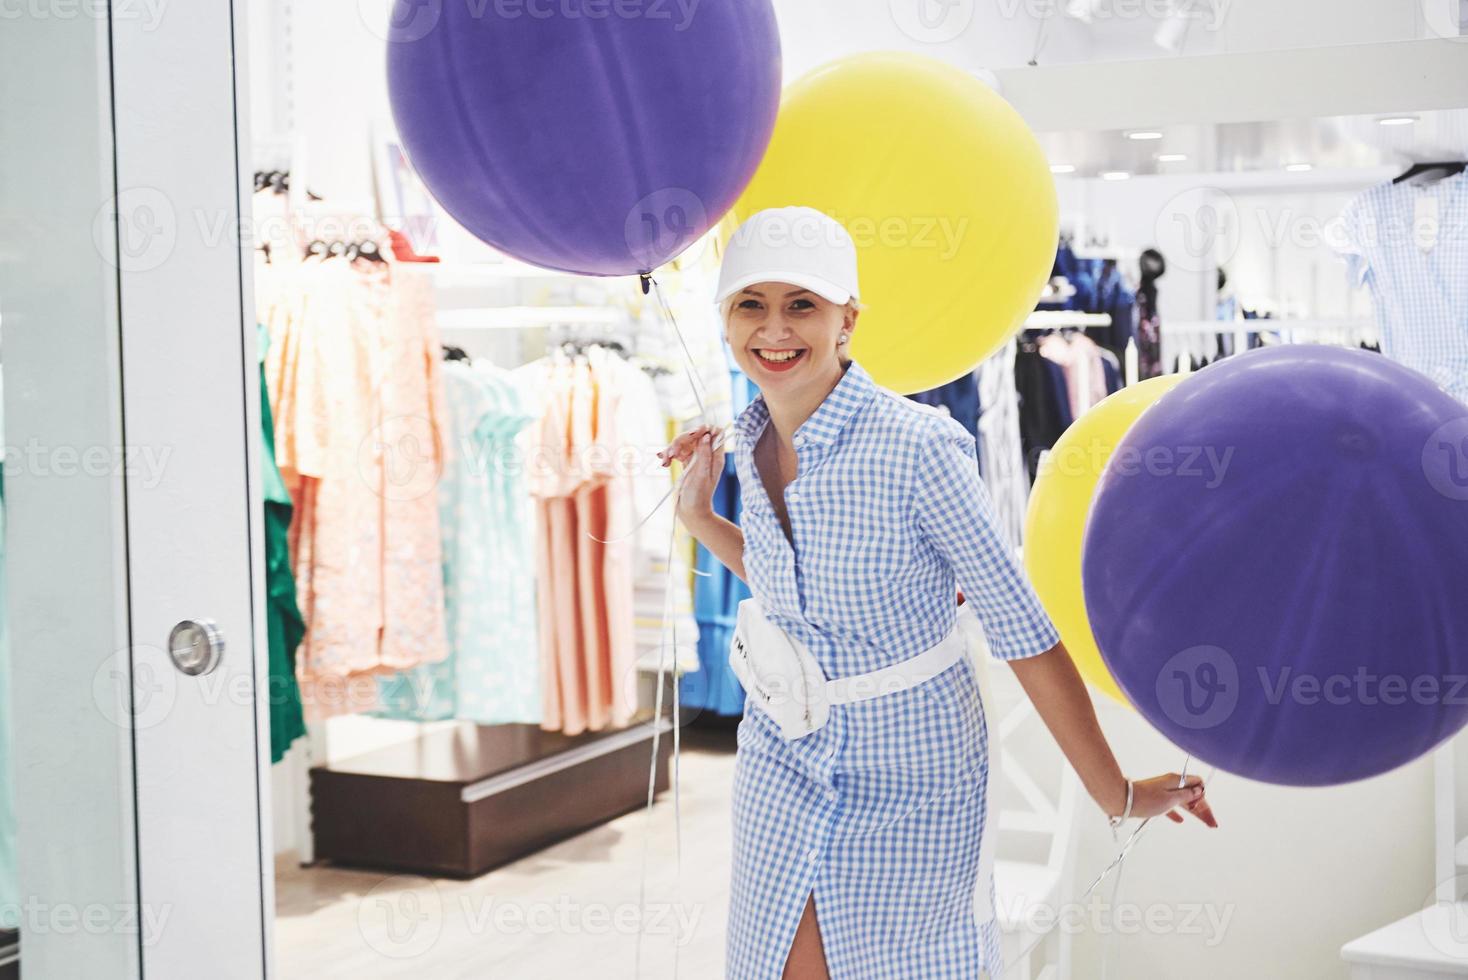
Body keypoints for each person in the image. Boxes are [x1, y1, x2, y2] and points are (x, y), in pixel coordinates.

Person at [659, 207, 1217, 979]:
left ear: (847, 320)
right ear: (725, 320)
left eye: (802, 305)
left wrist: (1113, 791)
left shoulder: (921, 450)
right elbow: (795, 586)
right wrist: (698, 514)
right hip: (781, 753)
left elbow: (1023, 630)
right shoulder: (749, 443)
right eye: (751, 304)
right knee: (774, 964)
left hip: (913, 764)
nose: (774, 328)